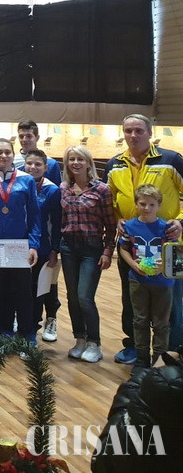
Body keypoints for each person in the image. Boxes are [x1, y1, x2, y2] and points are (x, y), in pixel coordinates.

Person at [106, 113, 183, 365]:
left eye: (139, 130)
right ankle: (134, 348)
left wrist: (180, 221)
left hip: (171, 245)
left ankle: (172, 352)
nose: (133, 135)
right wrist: (117, 218)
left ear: (150, 133)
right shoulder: (114, 164)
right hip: (132, 245)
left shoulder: (171, 160)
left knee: (173, 302)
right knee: (131, 300)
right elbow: (111, 200)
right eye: (128, 131)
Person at [0, 138, 40, 343]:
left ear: (14, 155)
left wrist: (33, 245)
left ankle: (26, 334)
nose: (3, 156)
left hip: (19, 246)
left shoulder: (26, 180)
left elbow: (34, 216)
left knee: (22, 292)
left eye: (7, 152)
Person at [62, 144, 117, 363]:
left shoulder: (102, 190)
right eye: (71, 159)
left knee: (85, 296)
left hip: (91, 248)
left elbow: (110, 225)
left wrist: (107, 251)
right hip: (68, 247)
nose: (75, 163)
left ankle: (94, 342)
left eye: (80, 159)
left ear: (88, 163)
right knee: (72, 297)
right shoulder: (63, 188)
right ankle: (80, 339)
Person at [119, 184, 178, 368]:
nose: (147, 208)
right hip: (138, 281)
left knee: (161, 324)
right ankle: (142, 359)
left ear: (159, 205)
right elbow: (123, 248)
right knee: (140, 320)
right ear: (136, 204)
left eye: (152, 205)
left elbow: (175, 251)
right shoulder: (129, 226)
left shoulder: (166, 228)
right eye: (143, 204)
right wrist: (134, 265)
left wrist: (163, 266)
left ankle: (158, 363)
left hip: (163, 283)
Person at [24, 149, 62, 344]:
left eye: (38, 164)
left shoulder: (52, 190)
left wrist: (54, 250)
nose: (33, 167)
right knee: (22, 289)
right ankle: (22, 324)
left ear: (46, 167)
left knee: (39, 290)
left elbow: (57, 223)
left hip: (43, 248)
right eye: (29, 163)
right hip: (19, 246)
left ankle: (33, 329)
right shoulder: (19, 184)